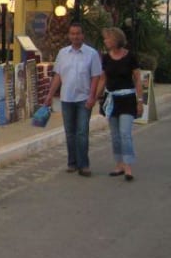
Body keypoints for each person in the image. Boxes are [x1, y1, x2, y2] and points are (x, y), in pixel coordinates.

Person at [43, 22, 101, 176]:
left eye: (78, 33)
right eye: (72, 34)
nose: (75, 37)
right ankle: (72, 163)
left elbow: (96, 77)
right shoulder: (63, 53)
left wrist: (92, 96)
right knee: (70, 132)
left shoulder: (92, 54)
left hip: (84, 98)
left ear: (83, 35)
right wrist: (50, 95)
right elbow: (58, 76)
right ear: (69, 35)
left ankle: (84, 165)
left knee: (82, 132)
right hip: (67, 98)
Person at [96, 26, 143, 182]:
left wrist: (140, 101)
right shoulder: (106, 58)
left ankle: (128, 166)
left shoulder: (130, 57)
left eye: (107, 38)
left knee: (125, 133)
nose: (105, 41)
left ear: (115, 40)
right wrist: (97, 96)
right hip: (112, 99)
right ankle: (119, 164)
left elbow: (137, 79)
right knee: (115, 135)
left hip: (128, 99)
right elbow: (103, 78)